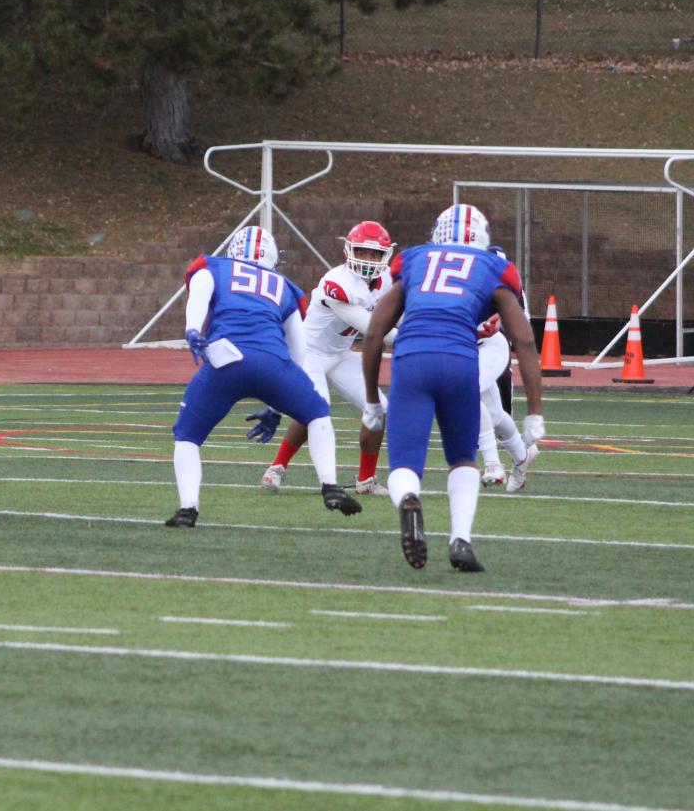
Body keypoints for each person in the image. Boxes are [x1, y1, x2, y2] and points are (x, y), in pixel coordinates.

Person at [361, 204, 544, 573]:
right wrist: (535, 411)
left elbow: (375, 332)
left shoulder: (413, 260)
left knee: (404, 463)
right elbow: (523, 340)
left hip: (412, 359)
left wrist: (370, 400)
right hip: (460, 361)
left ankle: (409, 499)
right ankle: (460, 539)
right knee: (462, 458)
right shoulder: (493, 267)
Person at [165, 225, 363, 528]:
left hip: (226, 360)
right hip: (273, 362)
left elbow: (200, 292)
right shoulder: (282, 284)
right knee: (317, 412)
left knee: (188, 436)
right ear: (271, 256)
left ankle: (187, 509)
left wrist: (192, 328)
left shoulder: (214, 266)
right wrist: (277, 406)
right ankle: (330, 485)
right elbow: (299, 351)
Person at [260, 220, 397, 496]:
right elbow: (373, 329)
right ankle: (277, 467)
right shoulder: (337, 282)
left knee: (379, 411)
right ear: (349, 250)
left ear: (386, 255)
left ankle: (366, 480)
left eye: (374, 254)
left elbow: (399, 316)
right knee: (317, 408)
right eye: (362, 252)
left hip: (340, 354)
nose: (368, 260)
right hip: (309, 353)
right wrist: (424, 337)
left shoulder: (387, 282)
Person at [475, 245, 539, 492]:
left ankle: (492, 463)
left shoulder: (502, 288)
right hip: (466, 347)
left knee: (466, 393)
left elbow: (519, 326)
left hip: (489, 346)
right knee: (496, 414)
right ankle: (523, 457)